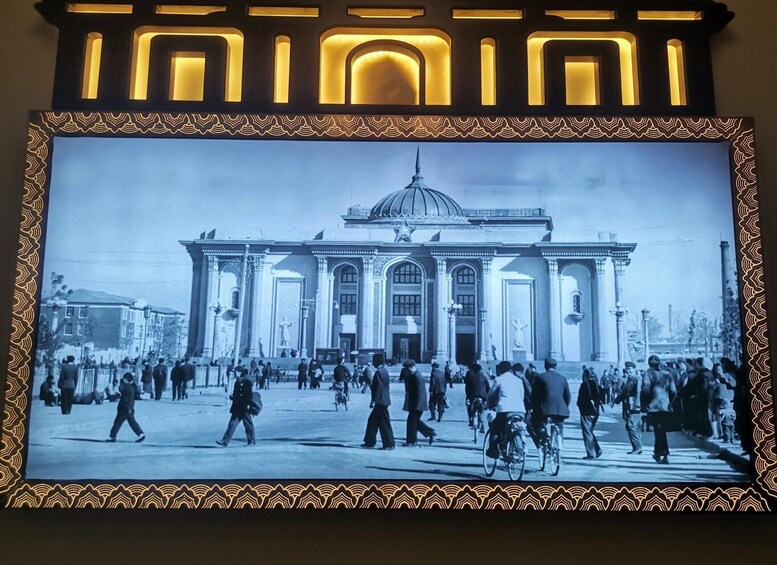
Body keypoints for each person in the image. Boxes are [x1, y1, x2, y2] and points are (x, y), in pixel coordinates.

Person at [485, 361, 527, 458]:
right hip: (520, 411)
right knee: (512, 428)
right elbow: (522, 396)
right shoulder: (519, 380)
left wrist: (489, 405)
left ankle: (493, 450)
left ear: (500, 370)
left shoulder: (499, 379)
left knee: (494, 426)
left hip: (505, 411)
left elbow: (491, 395)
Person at [641, 354, 677, 464]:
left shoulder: (648, 374)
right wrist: (669, 402)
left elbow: (645, 390)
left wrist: (645, 404)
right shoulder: (667, 374)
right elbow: (673, 391)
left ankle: (663, 453)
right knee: (660, 430)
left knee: (658, 430)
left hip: (653, 407)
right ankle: (659, 453)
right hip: (665, 406)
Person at [529, 358, 570, 449]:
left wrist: (533, 407)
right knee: (559, 423)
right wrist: (564, 406)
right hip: (561, 410)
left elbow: (535, 395)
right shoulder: (563, 378)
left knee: (532, 423)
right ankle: (559, 442)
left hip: (545, 410)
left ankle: (544, 440)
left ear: (545, 366)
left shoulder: (540, 377)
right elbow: (568, 396)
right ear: (555, 366)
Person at [361, 354, 395, 450]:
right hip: (383, 400)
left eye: (374, 361)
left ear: (376, 361)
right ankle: (369, 442)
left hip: (380, 401)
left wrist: (373, 401)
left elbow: (379, 388)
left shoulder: (379, 372)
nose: (373, 363)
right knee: (372, 421)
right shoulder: (384, 371)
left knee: (384, 423)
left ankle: (389, 444)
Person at [216, 367, 256, 447]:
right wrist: (233, 397)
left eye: (236, 372)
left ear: (240, 372)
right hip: (237, 407)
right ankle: (225, 441)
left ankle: (251, 440)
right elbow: (237, 393)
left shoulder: (247, 381)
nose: (234, 373)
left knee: (248, 424)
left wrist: (248, 405)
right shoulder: (237, 381)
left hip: (244, 407)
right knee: (232, 424)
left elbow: (249, 394)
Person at [611, 361, 643, 454]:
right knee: (633, 425)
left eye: (629, 369)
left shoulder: (637, 379)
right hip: (630, 405)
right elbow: (624, 393)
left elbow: (639, 393)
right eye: (626, 369)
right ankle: (637, 447)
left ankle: (638, 447)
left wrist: (638, 405)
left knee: (630, 424)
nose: (628, 371)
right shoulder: (629, 379)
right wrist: (615, 401)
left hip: (636, 406)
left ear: (634, 369)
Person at [402, 360, 436, 446]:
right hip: (415, 403)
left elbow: (421, 393)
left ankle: (412, 441)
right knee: (415, 421)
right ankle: (430, 432)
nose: (406, 371)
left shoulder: (417, 376)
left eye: (407, 369)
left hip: (418, 404)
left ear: (411, 367)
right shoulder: (413, 375)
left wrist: (418, 405)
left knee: (411, 422)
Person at [106, 369, 145, 443]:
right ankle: (141, 434)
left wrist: (128, 408)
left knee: (118, 422)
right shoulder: (132, 386)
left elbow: (123, 393)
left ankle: (113, 436)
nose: (122, 379)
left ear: (127, 379)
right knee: (132, 423)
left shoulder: (127, 387)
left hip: (124, 408)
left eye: (124, 378)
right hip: (128, 408)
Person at [577, 368, 603, 459]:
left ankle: (590, 453)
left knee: (587, 432)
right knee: (590, 431)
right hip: (596, 412)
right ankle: (597, 449)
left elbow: (580, 400)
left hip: (586, 412)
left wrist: (580, 407)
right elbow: (602, 398)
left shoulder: (584, 385)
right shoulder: (597, 385)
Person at [464, 362, 490, 428]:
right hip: (483, 397)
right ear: (480, 370)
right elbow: (488, 388)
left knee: (469, 406)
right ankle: (483, 423)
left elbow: (467, 389)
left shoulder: (471, 378)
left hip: (473, 396)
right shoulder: (484, 377)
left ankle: (471, 419)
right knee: (482, 410)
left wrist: (467, 396)